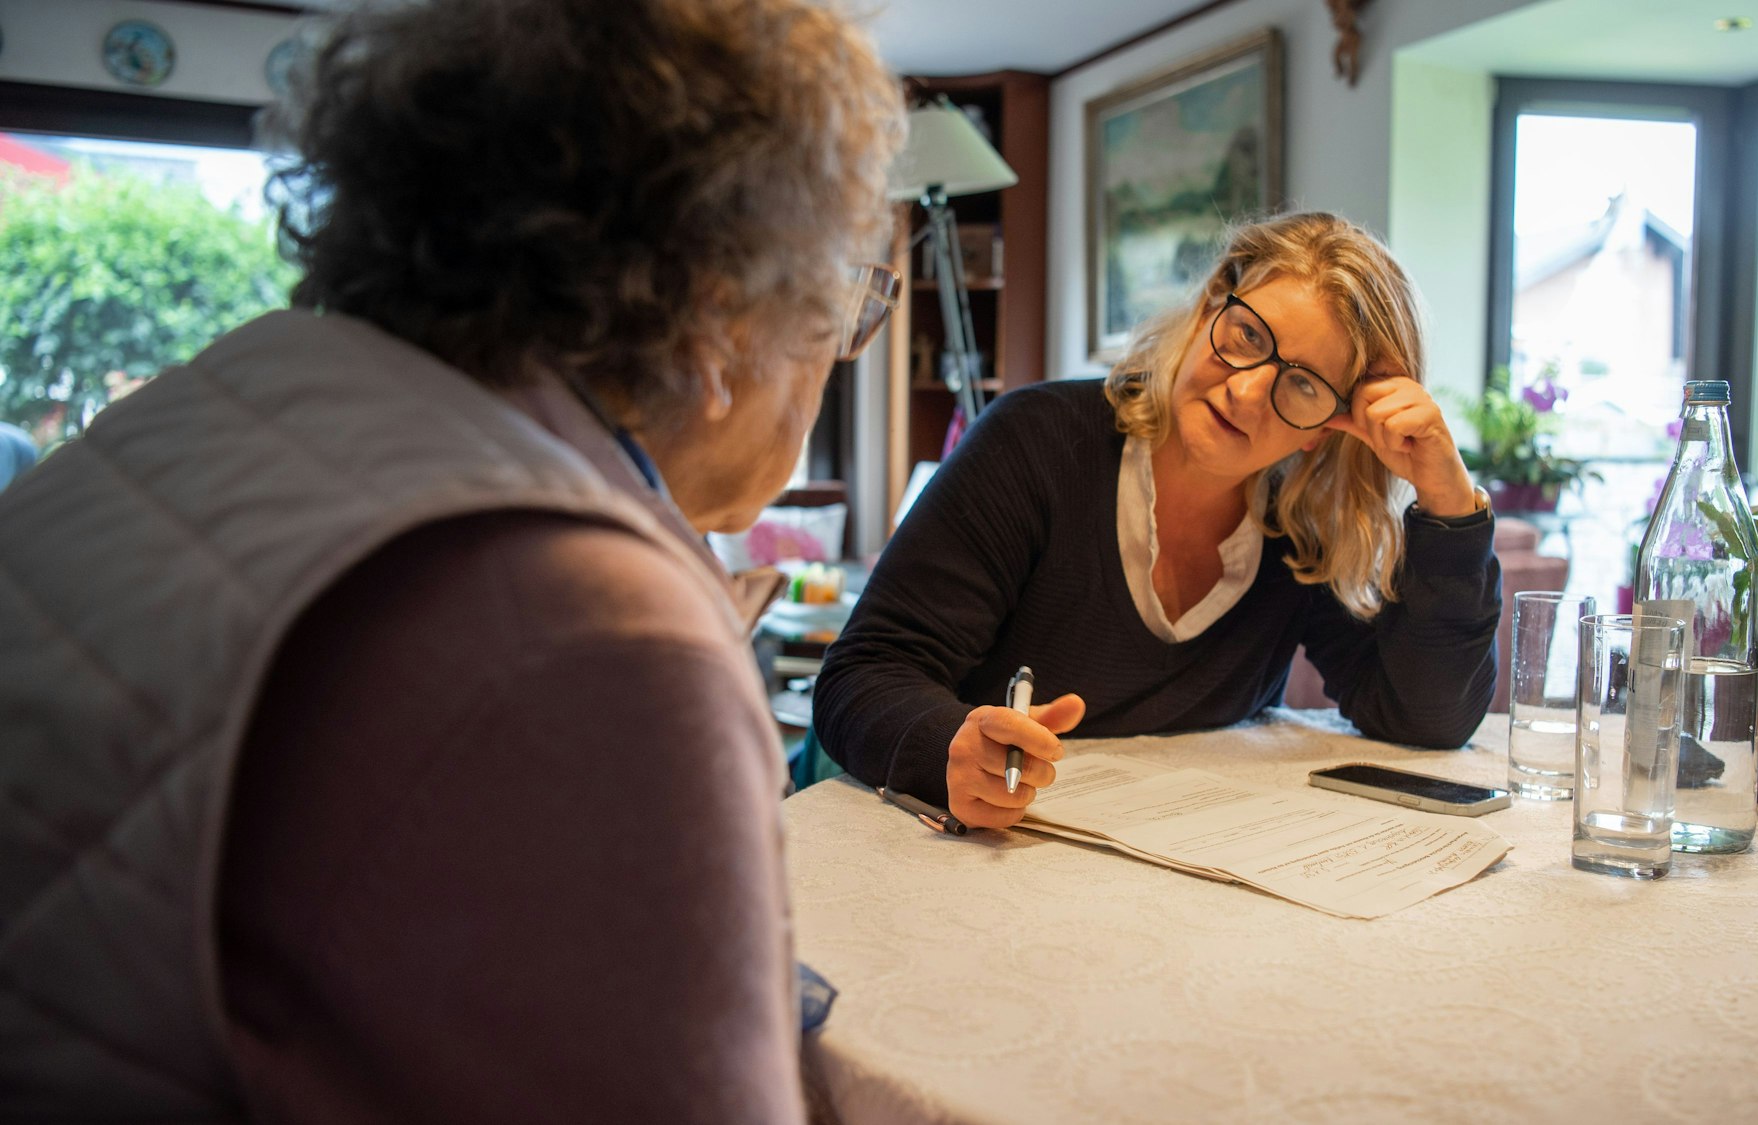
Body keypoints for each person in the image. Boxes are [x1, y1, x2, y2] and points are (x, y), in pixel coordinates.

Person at [0, 0, 902, 1120]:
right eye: (841, 305)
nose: (835, 355)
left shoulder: (214, 400)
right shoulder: (589, 626)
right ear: (719, 319)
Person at [815, 212, 1499, 829]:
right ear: (1209, 306)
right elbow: (863, 675)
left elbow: (1425, 718)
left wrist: (1449, 499)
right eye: (1246, 335)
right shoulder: (1037, 442)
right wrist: (949, 746)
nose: (1246, 390)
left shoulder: (1302, 529)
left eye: (1302, 384)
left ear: (1327, 427)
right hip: (962, 850)